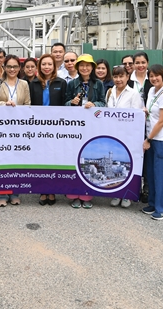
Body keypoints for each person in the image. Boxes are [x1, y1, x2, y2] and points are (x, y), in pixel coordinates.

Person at [0, 54, 31, 206]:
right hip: (2, 127)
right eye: (9, 66)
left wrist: (17, 109)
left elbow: (28, 105)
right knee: (2, 159)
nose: (12, 69)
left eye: (15, 66)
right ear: (4, 67)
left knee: (17, 160)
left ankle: (15, 193)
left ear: (19, 68)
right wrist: (5, 104)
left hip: (19, 127)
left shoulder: (24, 84)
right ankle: (1, 194)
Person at [64, 54, 106, 209]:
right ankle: (74, 194)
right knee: (75, 158)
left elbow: (103, 103)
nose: (85, 68)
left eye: (88, 65)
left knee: (88, 157)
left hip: (91, 126)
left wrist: (95, 104)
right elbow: (64, 103)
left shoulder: (99, 84)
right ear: (77, 67)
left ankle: (87, 194)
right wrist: (71, 102)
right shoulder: (72, 84)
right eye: (81, 65)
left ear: (92, 67)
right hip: (75, 126)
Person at [29, 54, 67, 205]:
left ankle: (52, 190)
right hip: (38, 126)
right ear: (39, 66)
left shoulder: (61, 83)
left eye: (49, 64)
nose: (47, 67)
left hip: (56, 127)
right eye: (44, 64)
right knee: (40, 158)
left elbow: (65, 105)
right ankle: (42, 190)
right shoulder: (33, 83)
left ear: (54, 66)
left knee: (54, 158)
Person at [105, 65, 144, 208]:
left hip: (128, 135)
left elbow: (137, 116)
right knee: (116, 164)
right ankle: (117, 193)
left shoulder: (133, 94)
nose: (118, 79)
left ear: (127, 77)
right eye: (115, 76)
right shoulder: (110, 92)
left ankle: (127, 195)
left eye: (121, 76)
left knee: (127, 164)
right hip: (112, 134)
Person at [141, 64, 163, 220]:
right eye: (151, 76)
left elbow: (162, 121)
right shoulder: (151, 91)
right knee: (152, 173)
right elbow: (152, 113)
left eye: (157, 75)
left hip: (162, 139)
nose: (154, 78)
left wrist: (148, 139)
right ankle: (153, 203)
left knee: (162, 175)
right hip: (151, 137)